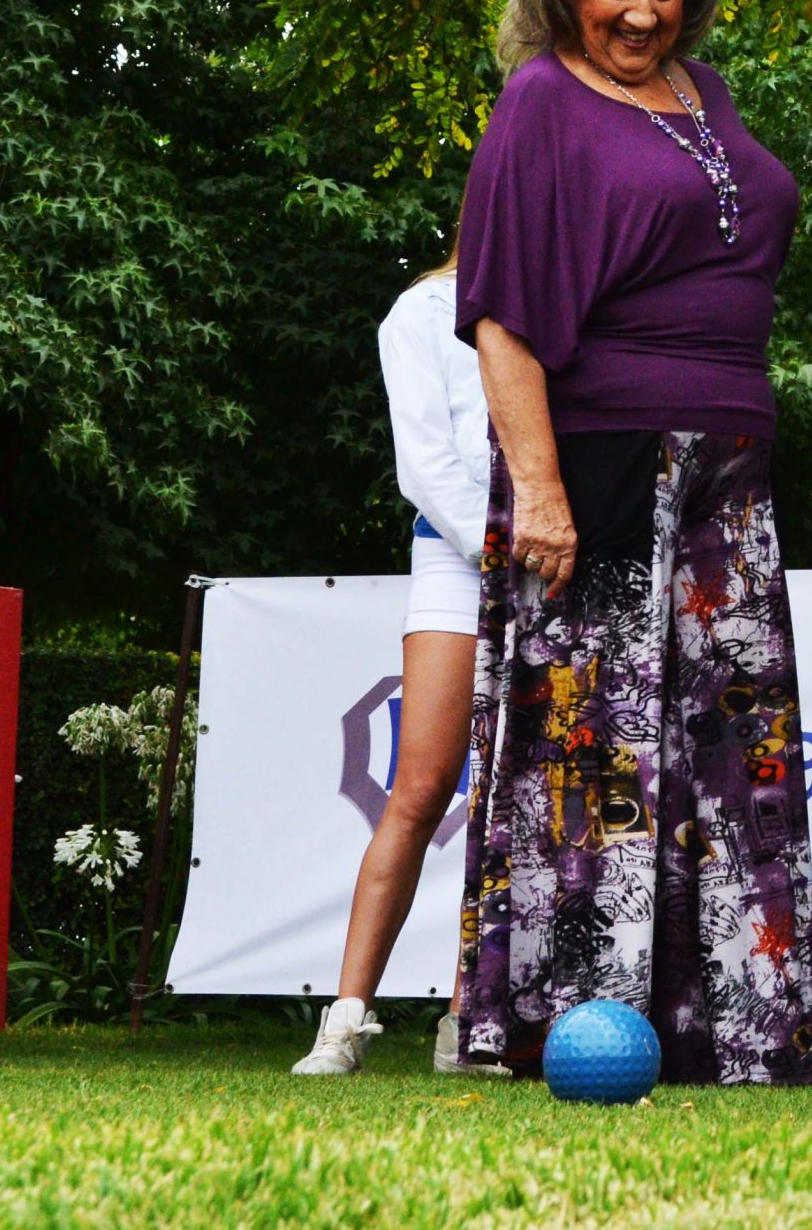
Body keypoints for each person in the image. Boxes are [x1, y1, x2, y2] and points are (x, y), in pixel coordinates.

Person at [449, 0, 812, 1087]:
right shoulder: (538, 101)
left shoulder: (705, 91)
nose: (641, 14)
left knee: (738, 752)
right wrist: (541, 490)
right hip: (602, 457)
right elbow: (501, 317)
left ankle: (749, 1031)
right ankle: (574, 1026)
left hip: (727, 464)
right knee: (596, 754)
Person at [292, 244, 511, 1079]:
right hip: (460, 555)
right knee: (420, 787)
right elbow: (423, 464)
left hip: (562, 559)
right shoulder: (421, 312)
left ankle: (470, 1025)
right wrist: (504, 547)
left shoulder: (573, 311)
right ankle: (343, 1024)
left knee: (513, 803)